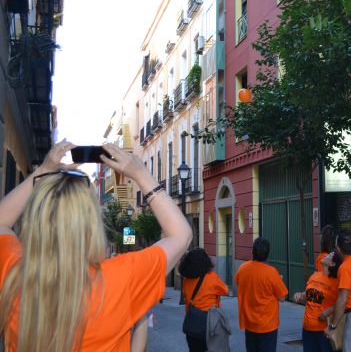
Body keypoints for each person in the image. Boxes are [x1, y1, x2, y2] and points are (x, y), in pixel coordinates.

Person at [0, 141, 192, 351]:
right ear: (92, 223)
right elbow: (181, 235)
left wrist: (43, 171)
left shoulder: (13, 275)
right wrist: (141, 174)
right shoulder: (120, 278)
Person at [235, 237, 289, 352]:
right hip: (267, 325)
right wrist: (278, 280)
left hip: (249, 323)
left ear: (252, 251)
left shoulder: (242, 268)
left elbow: (239, 282)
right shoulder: (271, 272)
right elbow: (282, 297)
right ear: (267, 254)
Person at [180, 247, 229, 351]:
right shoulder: (212, 277)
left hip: (192, 324)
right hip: (210, 324)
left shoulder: (186, 281)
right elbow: (225, 290)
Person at [294, 252, 342, 352]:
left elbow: (342, 303)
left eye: (329, 256)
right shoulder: (315, 275)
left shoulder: (336, 281)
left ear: (333, 264)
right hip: (307, 327)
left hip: (324, 330)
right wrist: (300, 295)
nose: (325, 256)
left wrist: (328, 311)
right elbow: (308, 294)